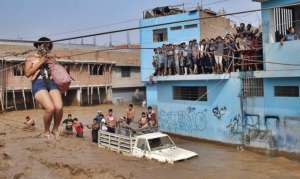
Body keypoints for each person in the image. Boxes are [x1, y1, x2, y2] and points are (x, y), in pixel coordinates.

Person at [24, 37, 63, 140]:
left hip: (51, 82)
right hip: (38, 82)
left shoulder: (50, 57)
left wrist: (52, 61)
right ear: (38, 46)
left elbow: (57, 69)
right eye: (44, 46)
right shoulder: (30, 58)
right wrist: (40, 62)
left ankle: (55, 128)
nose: (46, 48)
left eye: (48, 47)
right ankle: (46, 131)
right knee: (50, 108)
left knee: (59, 107)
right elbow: (27, 73)